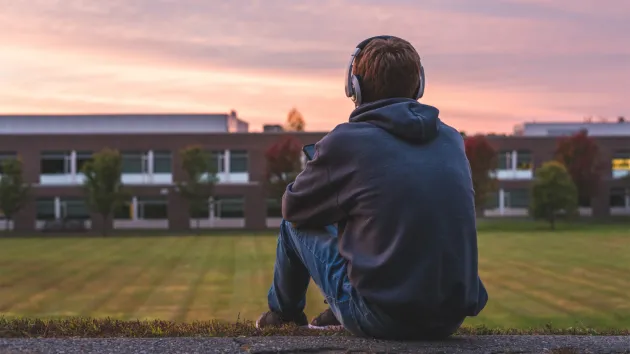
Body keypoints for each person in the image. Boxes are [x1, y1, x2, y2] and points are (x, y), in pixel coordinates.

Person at [255, 35, 488, 340]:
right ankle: (338, 310)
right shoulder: (451, 140)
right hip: (448, 319)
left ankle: (283, 315)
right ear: (418, 86)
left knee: (292, 226)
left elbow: (295, 207)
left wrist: (324, 172)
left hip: (379, 318)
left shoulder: (347, 141)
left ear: (355, 86)